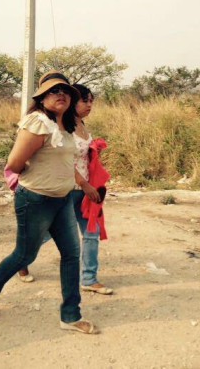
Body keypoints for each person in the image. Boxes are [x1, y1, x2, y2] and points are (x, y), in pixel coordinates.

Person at [0, 70, 98, 334]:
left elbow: (65, 161)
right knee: (25, 255)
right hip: (36, 200)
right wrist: (38, 177)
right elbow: (15, 164)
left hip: (62, 199)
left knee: (71, 255)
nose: (61, 95)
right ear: (41, 98)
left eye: (66, 92)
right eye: (54, 91)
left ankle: (70, 316)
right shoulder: (38, 123)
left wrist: (79, 183)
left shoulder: (66, 126)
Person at [71, 84, 112, 295]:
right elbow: (62, 161)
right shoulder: (62, 128)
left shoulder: (82, 126)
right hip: (65, 190)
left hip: (85, 191)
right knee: (46, 233)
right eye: (84, 101)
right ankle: (23, 260)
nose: (89, 105)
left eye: (91, 101)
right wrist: (84, 184)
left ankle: (88, 278)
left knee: (91, 233)